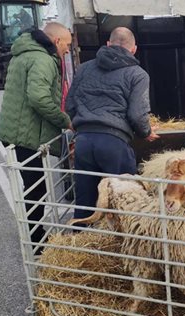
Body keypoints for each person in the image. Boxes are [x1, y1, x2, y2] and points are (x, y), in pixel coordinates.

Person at [66, 27, 159, 219]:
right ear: (134, 49)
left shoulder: (84, 68)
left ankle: (79, 241)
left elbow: (70, 105)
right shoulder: (137, 74)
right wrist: (146, 132)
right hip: (114, 143)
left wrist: (82, 127)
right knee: (124, 198)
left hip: (83, 141)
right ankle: (122, 243)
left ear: (108, 44)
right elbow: (137, 114)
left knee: (85, 197)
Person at [0, 22, 72, 249]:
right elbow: (38, 98)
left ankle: (34, 232)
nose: (67, 50)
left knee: (33, 185)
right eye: (67, 45)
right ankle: (35, 240)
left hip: (15, 129)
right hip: (25, 133)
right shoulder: (42, 60)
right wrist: (65, 121)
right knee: (36, 187)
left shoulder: (24, 54)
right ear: (57, 41)